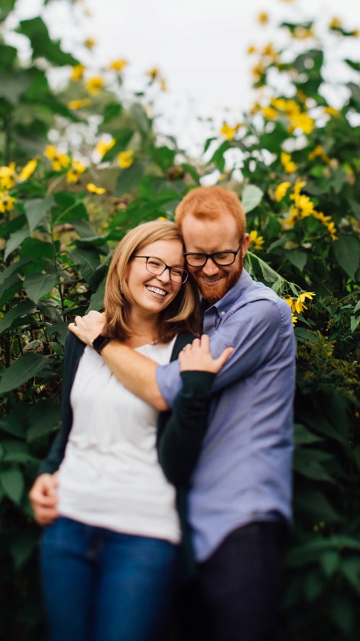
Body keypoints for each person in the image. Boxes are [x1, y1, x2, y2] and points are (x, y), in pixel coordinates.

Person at [68, 186, 297, 641]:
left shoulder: (261, 314)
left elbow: (161, 390)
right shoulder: (192, 320)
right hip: (183, 526)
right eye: (197, 258)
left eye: (223, 256)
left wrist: (101, 341)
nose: (210, 269)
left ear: (245, 246)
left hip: (240, 520)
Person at [28, 220, 232, 641]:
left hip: (143, 534)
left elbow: (179, 462)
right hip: (68, 523)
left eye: (177, 271)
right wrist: (45, 475)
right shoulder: (83, 336)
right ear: (125, 263)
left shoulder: (184, 349)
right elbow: (70, 429)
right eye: (153, 263)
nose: (165, 278)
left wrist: (194, 391)